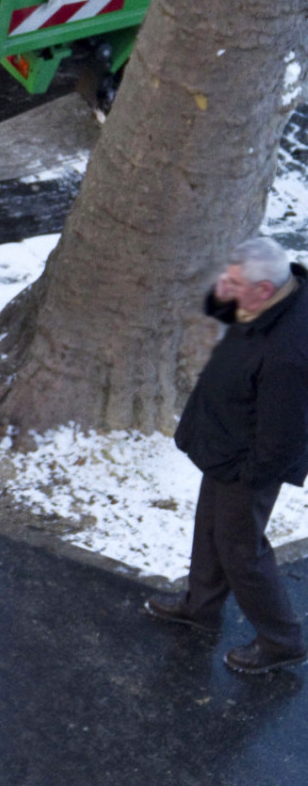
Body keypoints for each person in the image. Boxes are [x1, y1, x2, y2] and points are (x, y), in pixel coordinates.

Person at [147, 237, 308, 674]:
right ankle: (200, 606)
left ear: (263, 290)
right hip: (225, 442)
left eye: (234, 283)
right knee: (210, 528)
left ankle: (282, 640)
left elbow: (284, 439)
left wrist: (248, 474)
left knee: (240, 548)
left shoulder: (289, 354)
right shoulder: (268, 300)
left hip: (248, 463)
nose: (223, 288)